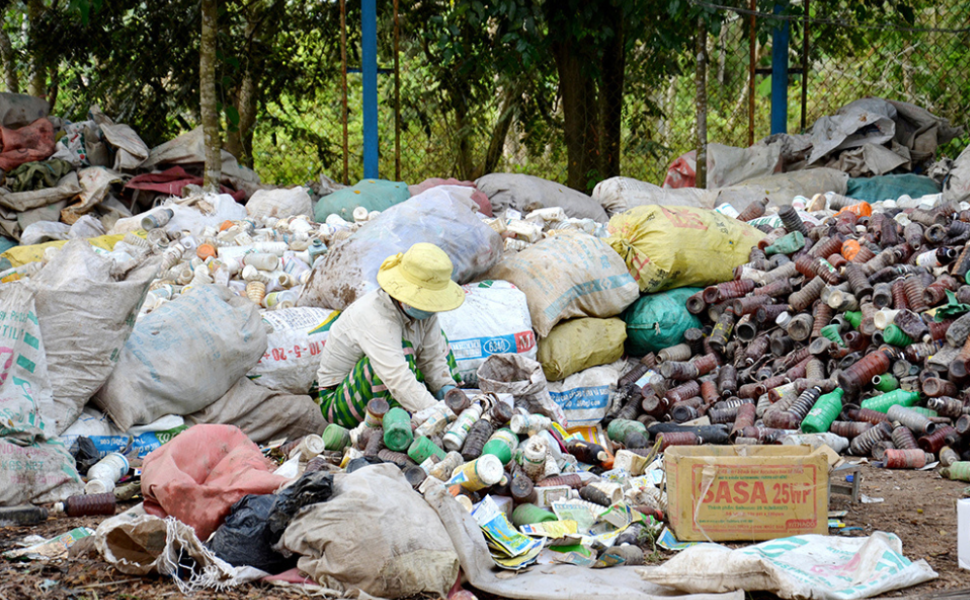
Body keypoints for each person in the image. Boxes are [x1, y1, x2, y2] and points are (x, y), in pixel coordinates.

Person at [315, 242, 465, 427]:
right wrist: (439, 413)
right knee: (402, 352)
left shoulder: (426, 314)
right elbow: (397, 377)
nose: (429, 308)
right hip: (340, 401)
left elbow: (433, 359)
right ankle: (397, 427)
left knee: (440, 343)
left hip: (395, 379)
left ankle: (435, 407)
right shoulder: (375, 316)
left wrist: (447, 391)